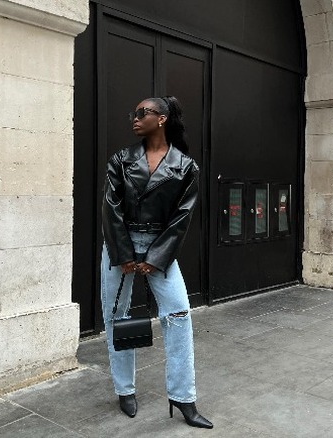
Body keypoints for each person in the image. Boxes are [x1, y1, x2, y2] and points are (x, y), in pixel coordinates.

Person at [100, 96, 213, 429]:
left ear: (161, 119)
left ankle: (183, 397)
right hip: (119, 246)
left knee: (178, 313)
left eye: (141, 113)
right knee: (117, 316)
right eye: (132, 113)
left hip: (159, 247)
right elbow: (110, 207)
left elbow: (182, 216)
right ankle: (125, 389)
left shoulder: (185, 166)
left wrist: (155, 256)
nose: (134, 119)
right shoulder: (122, 159)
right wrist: (122, 255)